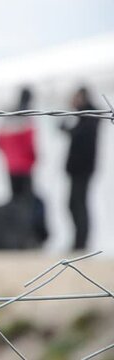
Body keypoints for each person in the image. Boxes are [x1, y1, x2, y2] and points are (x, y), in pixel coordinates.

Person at [61, 87, 100, 250]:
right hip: (78, 169)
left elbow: (80, 136)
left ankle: (81, 243)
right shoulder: (82, 115)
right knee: (74, 204)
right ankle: (79, 241)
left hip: (82, 169)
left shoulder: (90, 116)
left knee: (78, 204)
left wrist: (68, 129)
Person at [0, 88, 37, 198]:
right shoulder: (27, 115)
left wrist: (10, 155)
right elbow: (29, 143)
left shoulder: (8, 115)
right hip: (25, 165)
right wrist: (33, 158)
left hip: (11, 164)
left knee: (15, 197)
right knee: (27, 199)